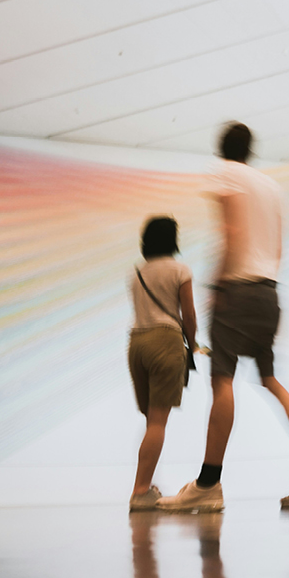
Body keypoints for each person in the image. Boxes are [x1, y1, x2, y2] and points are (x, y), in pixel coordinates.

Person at [159, 123, 289, 512]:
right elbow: (279, 246)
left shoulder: (225, 173)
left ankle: (208, 483)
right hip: (268, 292)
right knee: (270, 379)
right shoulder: (271, 186)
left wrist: (217, 286)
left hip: (236, 290)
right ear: (251, 149)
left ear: (222, 148)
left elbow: (230, 230)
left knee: (222, 382)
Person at [128, 216, 196, 511]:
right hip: (165, 341)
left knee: (150, 422)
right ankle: (140, 491)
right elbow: (188, 315)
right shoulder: (180, 269)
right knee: (158, 422)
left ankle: (146, 485)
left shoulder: (138, 273)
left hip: (137, 343)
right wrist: (192, 347)